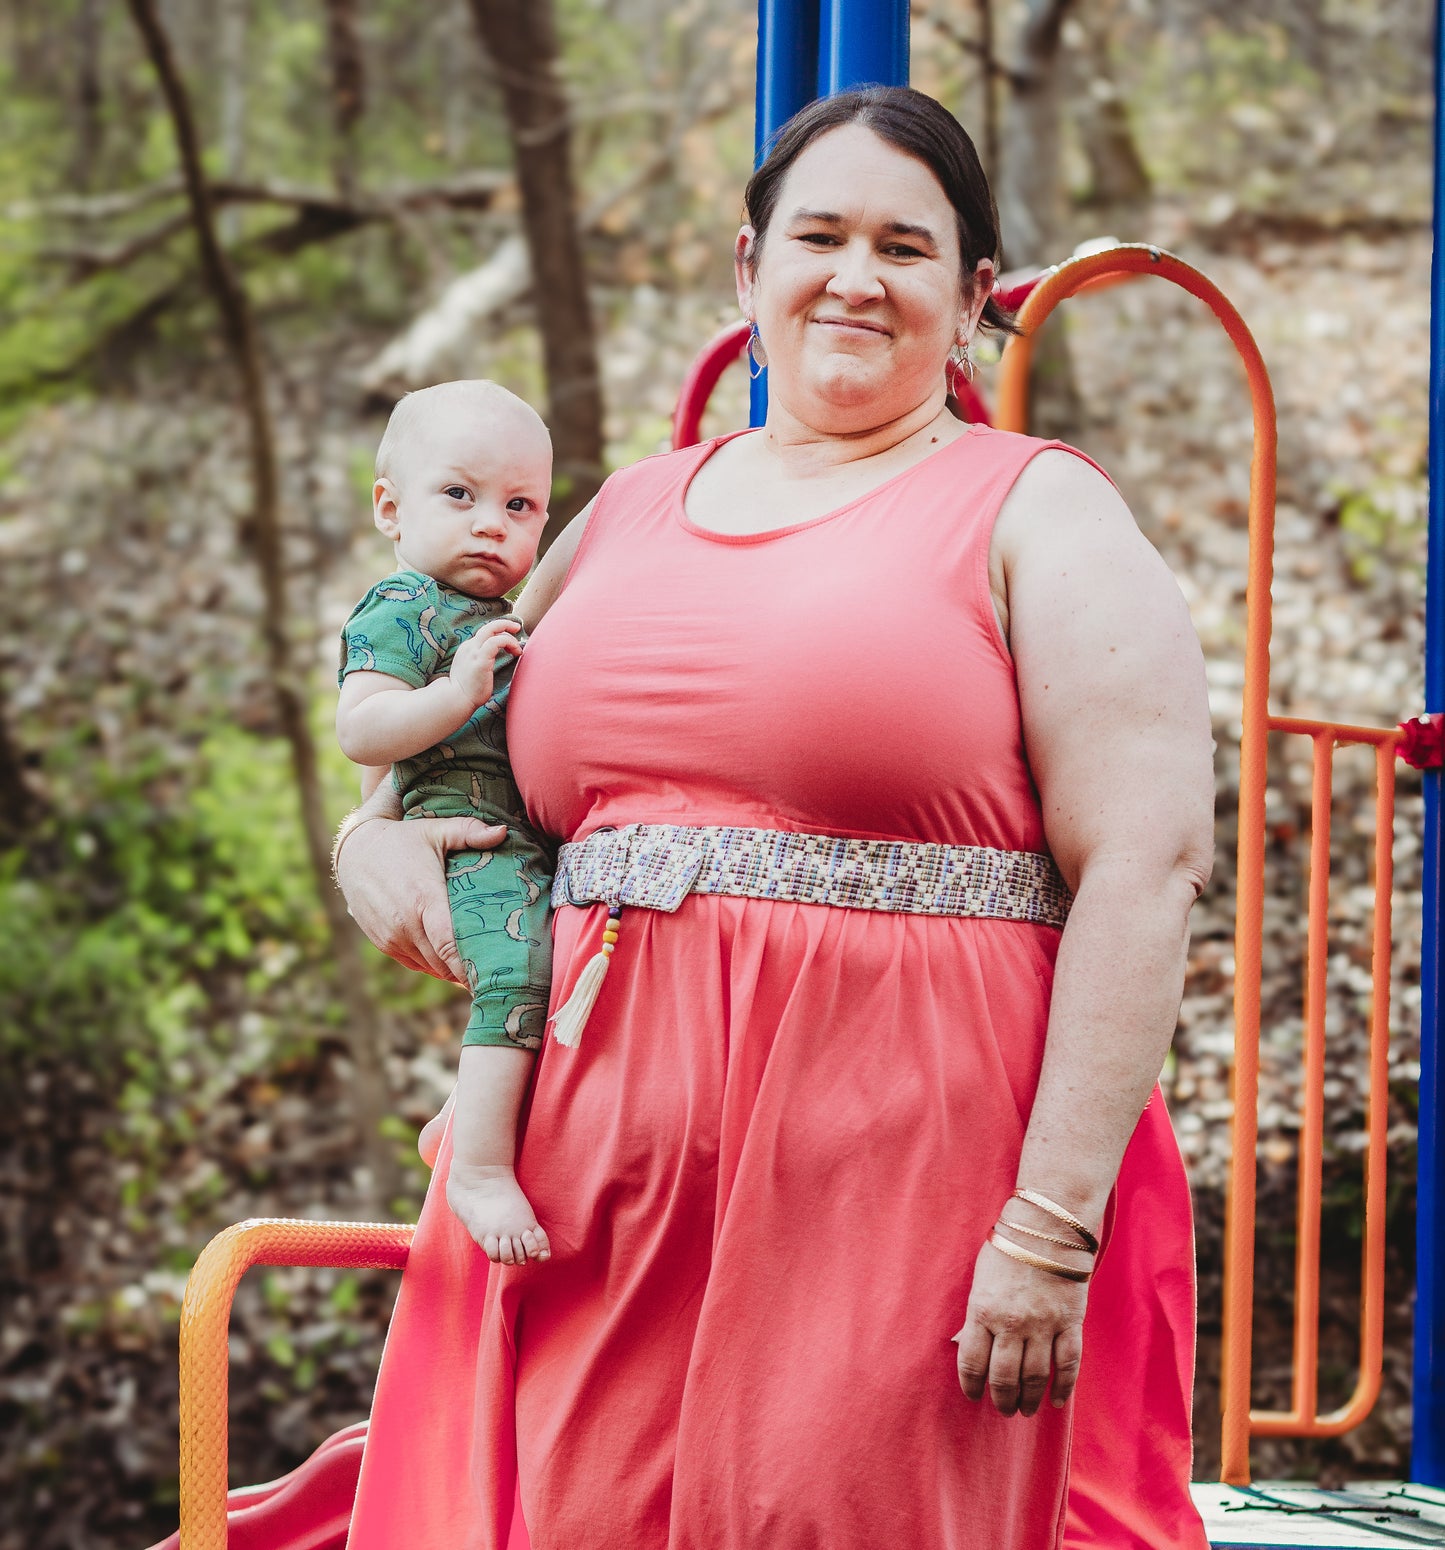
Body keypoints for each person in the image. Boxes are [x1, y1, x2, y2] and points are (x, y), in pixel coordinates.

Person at [335, 87, 1214, 1550]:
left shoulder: (1038, 512)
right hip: (588, 1188)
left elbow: (1146, 863)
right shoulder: (620, 509)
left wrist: (1050, 1227)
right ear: (749, 267)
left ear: (973, 289)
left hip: (906, 1190)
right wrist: (367, 847)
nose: (854, 276)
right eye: (817, 234)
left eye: (904, 244)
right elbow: (430, 749)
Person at [336, 379, 555, 1267]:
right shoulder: (400, 607)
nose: (490, 524)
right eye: (459, 496)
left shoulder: (501, 614)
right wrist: (454, 692)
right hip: (464, 836)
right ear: (391, 507)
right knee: (519, 969)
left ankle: (471, 1112)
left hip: (527, 837)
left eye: (519, 506)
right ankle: (480, 1168)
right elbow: (362, 730)